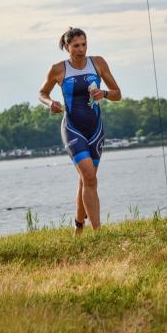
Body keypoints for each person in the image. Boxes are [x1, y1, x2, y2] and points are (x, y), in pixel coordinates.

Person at [38, 27, 122, 234]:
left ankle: (78, 227)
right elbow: (42, 93)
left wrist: (104, 93)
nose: (81, 49)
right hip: (72, 129)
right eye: (76, 46)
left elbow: (117, 94)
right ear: (67, 47)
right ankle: (98, 232)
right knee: (90, 178)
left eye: (84, 44)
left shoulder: (98, 63)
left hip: (95, 129)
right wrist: (50, 103)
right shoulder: (58, 69)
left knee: (86, 180)